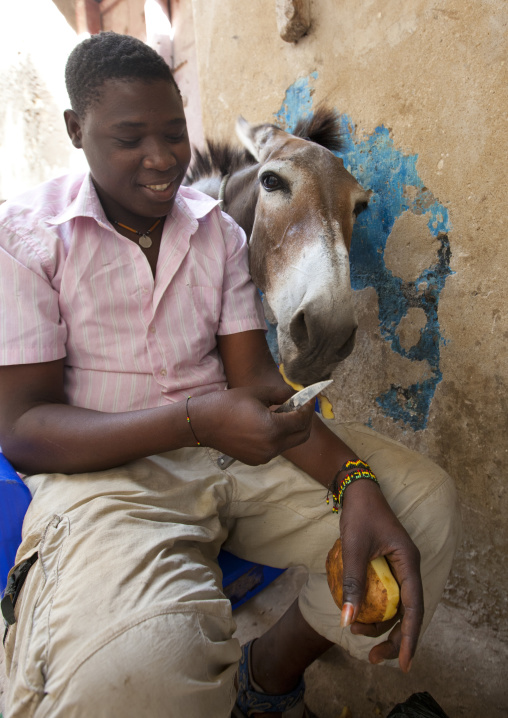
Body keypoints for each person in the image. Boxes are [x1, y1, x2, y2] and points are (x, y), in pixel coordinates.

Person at [0, 32, 460, 718]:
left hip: (228, 453)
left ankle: (268, 679)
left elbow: (257, 387)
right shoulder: (28, 239)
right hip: (103, 483)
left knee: (420, 510)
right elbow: (25, 429)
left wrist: (352, 479)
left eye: (174, 133)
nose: (161, 160)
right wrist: (194, 418)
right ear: (76, 129)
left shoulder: (213, 232)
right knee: (142, 672)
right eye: (130, 137)